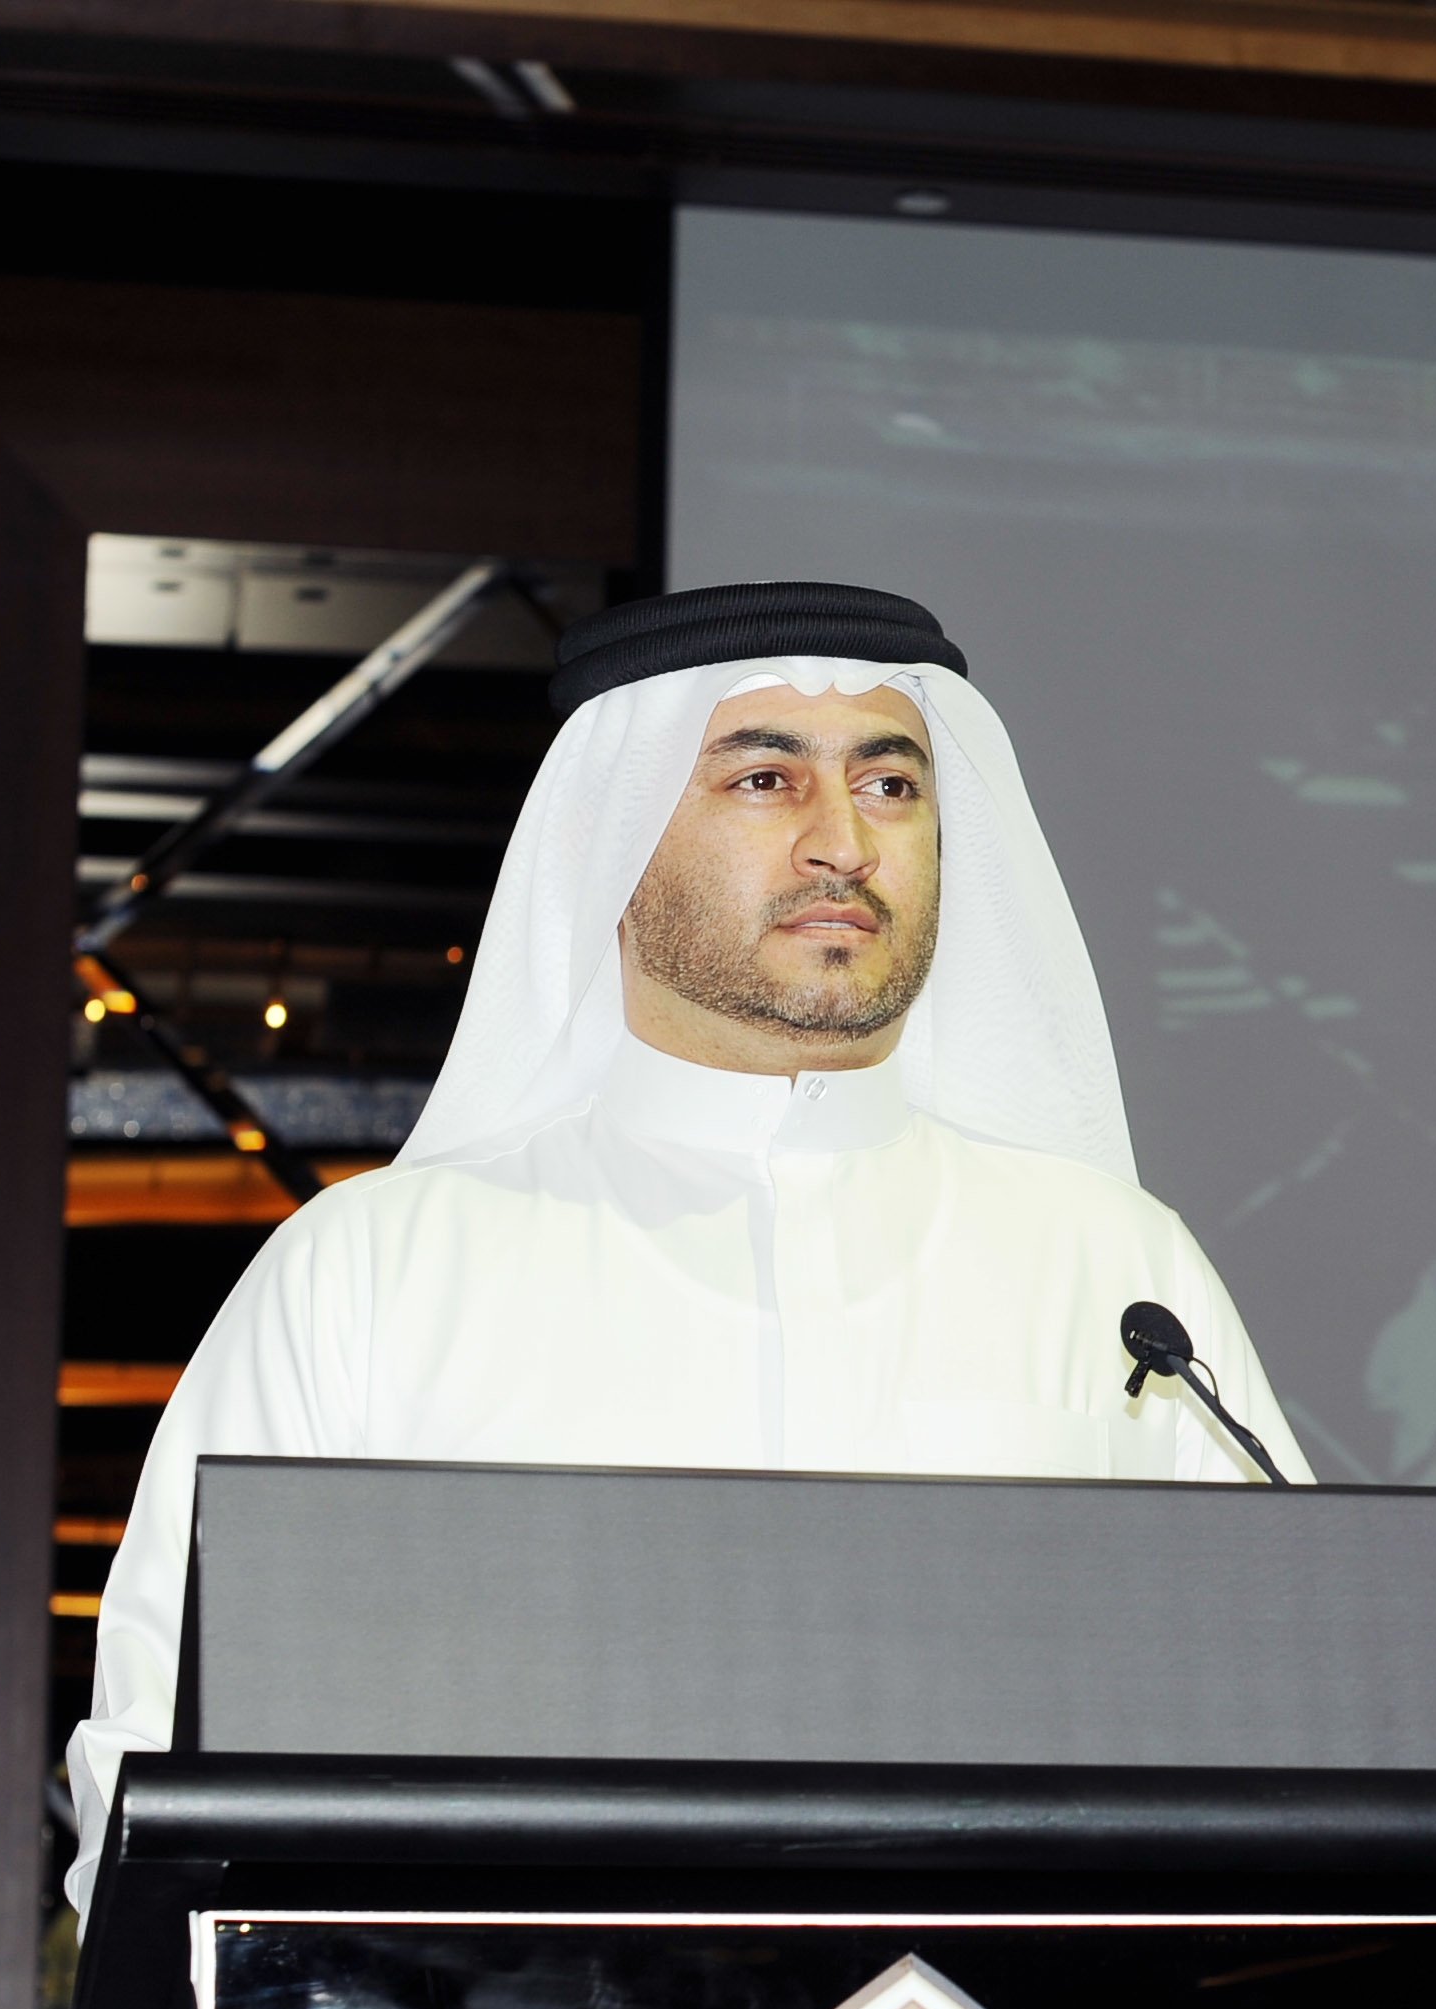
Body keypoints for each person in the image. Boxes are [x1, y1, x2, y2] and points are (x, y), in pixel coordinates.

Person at [63, 581, 1303, 1905]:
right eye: (766, 779)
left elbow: (1306, 1731)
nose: (844, 843)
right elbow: (164, 1753)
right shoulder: (372, 1277)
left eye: (891, 787)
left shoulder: (1118, 1277)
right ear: (610, 835)